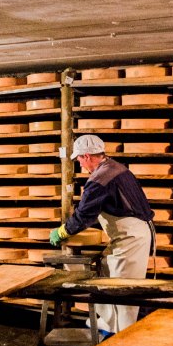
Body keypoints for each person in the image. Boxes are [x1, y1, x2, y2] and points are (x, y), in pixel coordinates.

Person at [50, 134, 155, 335]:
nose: (79, 164)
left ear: (87, 156)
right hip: (130, 234)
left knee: (123, 287)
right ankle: (108, 323)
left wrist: (62, 231)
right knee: (106, 270)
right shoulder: (117, 168)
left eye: (79, 159)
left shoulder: (99, 180)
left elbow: (84, 215)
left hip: (131, 238)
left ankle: (123, 334)